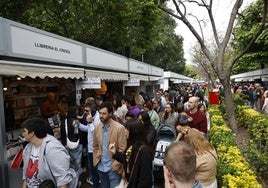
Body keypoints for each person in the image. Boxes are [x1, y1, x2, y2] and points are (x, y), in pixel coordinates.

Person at [22, 117, 77, 188]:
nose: (23, 134)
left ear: (32, 133)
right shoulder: (28, 147)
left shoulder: (53, 149)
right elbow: (25, 175)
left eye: (24, 131)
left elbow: (63, 181)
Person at [109, 119, 153, 188]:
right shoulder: (132, 145)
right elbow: (127, 159)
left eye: (127, 129)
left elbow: (145, 180)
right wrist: (115, 152)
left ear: (134, 132)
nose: (125, 131)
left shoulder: (144, 152)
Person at [93, 102, 127, 188]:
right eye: (100, 113)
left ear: (111, 113)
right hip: (101, 166)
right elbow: (95, 146)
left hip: (113, 168)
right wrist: (96, 161)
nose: (101, 116)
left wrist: (115, 165)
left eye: (104, 113)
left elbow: (122, 149)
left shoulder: (119, 128)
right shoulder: (97, 127)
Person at [78, 102, 100, 187]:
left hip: (95, 148)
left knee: (95, 170)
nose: (85, 113)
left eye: (87, 111)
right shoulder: (92, 117)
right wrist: (79, 124)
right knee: (93, 170)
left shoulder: (97, 118)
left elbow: (95, 132)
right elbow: (88, 129)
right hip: (91, 147)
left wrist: (90, 122)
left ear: (93, 110)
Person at [61, 105, 83, 171]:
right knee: (76, 163)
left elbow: (62, 133)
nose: (77, 112)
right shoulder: (75, 121)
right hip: (75, 144)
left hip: (66, 144)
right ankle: (76, 179)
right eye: (76, 111)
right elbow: (76, 132)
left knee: (69, 163)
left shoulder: (64, 121)